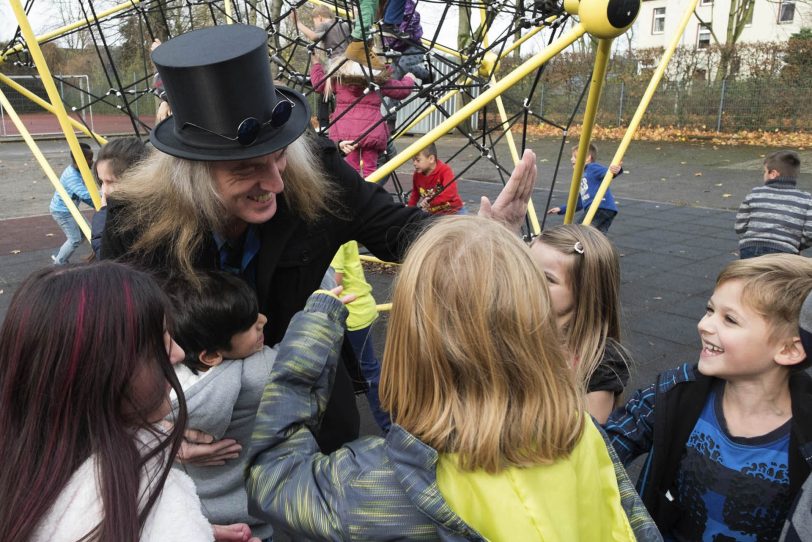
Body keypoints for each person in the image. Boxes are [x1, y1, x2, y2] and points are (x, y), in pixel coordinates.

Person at [101, 24, 537, 456]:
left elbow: (398, 230)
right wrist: (149, 432)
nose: (273, 182)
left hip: (312, 419)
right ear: (191, 175)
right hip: (204, 427)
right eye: (247, 168)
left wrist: (480, 240)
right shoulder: (136, 223)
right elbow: (106, 339)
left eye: (277, 158)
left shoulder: (317, 175)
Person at [245, 216, 661, 541]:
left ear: (412, 341)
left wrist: (314, 330)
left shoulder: (384, 484)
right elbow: (634, 522)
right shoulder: (582, 433)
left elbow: (273, 476)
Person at [0, 262, 260, 541]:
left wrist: (200, 530)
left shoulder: (22, 467)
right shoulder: (146, 507)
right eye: (160, 341)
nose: (179, 354)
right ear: (103, 372)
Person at [605, 254, 812, 541]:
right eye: (709, 309)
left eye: (729, 319)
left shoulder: (805, 436)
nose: (704, 324)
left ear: (789, 350)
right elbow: (607, 443)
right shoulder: (676, 393)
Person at [164, 271, 276, 540]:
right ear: (212, 355)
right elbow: (303, 359)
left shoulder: (157, 391)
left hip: (193, 520)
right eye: (251, 325)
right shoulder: (259, 373)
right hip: (252, 515)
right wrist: (323, 315)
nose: (263, 321)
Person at [530, 224, 630, 423]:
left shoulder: (597, 362)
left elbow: (586, 440)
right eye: (527, 268)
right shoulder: (518, 328)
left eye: (548, 279)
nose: (529, 280)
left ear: (584, 293)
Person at [310, 52, 414, 178]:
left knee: (351, 169)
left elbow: (318, 84)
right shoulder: (378, 81)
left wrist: (316, 64)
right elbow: (402, 91)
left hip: (346, 132)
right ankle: (370, 192)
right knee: (370, 169)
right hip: (372, 131)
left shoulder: (339, 80)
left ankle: (354, 193)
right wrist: (409, 78)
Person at [330, 240, 389, 431]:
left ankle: (392, 428)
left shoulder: (329, 231)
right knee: (357, 372)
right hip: (354, 311)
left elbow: (333, 280)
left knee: (367, 373)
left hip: (351, 315)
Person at [735, 150, 812, 259]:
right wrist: (796, 245)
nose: (764, 174)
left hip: (751, 247)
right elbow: (809, 231)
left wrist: (748, 239)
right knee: (778, 276)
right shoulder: (806, 199)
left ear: (773, 174)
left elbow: (740, 224)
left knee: (751, 275)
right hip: (785, 252)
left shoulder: (755, 193)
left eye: (765, 171)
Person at [295, 5, 351, 132]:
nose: (315, 25)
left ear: (319, 18)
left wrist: (298, 23)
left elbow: (314, 37)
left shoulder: (326, 24)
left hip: (336, 65)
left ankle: (324, 124)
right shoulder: (344, 25)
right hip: (349, 64)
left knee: (324, 92)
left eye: (314, 22)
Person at [91, 137, 149, 257]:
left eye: (110, 182)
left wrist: (104, 214)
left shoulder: (136, 222)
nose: (104, 191)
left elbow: (107, 257)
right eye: (101, 182)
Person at [547, 143, 623, 233]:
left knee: (580, 231)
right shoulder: (583, 175)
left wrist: (617, 170)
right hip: (607, 209)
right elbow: (580, 202)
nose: (571, 159)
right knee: (597, 236)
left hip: (599, 207)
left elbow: (608, 173)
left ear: (587, 158)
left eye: (575, 157)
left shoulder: (591, 168)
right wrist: (562, 209)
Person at [50, 142, 94, 265]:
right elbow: (85, 194)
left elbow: (84, 196)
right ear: (81, 159)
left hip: (71, 209)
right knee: (75, 239)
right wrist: (105, 193)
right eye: (90, 159)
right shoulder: (72, 176)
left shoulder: (79, 173)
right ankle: (59, 263)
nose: (92, 161)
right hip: (62, 211)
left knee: (87, 233)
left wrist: (96, 205)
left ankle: (60, 254)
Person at [408, 142, 466, 214]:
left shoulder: (444, 170)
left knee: (465, 224)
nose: (414, 163)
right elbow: (415, 194)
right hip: (435, 214)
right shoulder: (417, 175)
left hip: (454, 211)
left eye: (418, 160)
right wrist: (409, 210)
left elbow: (450, 193)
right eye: (413, 160)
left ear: (431, 159)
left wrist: (430, 201)